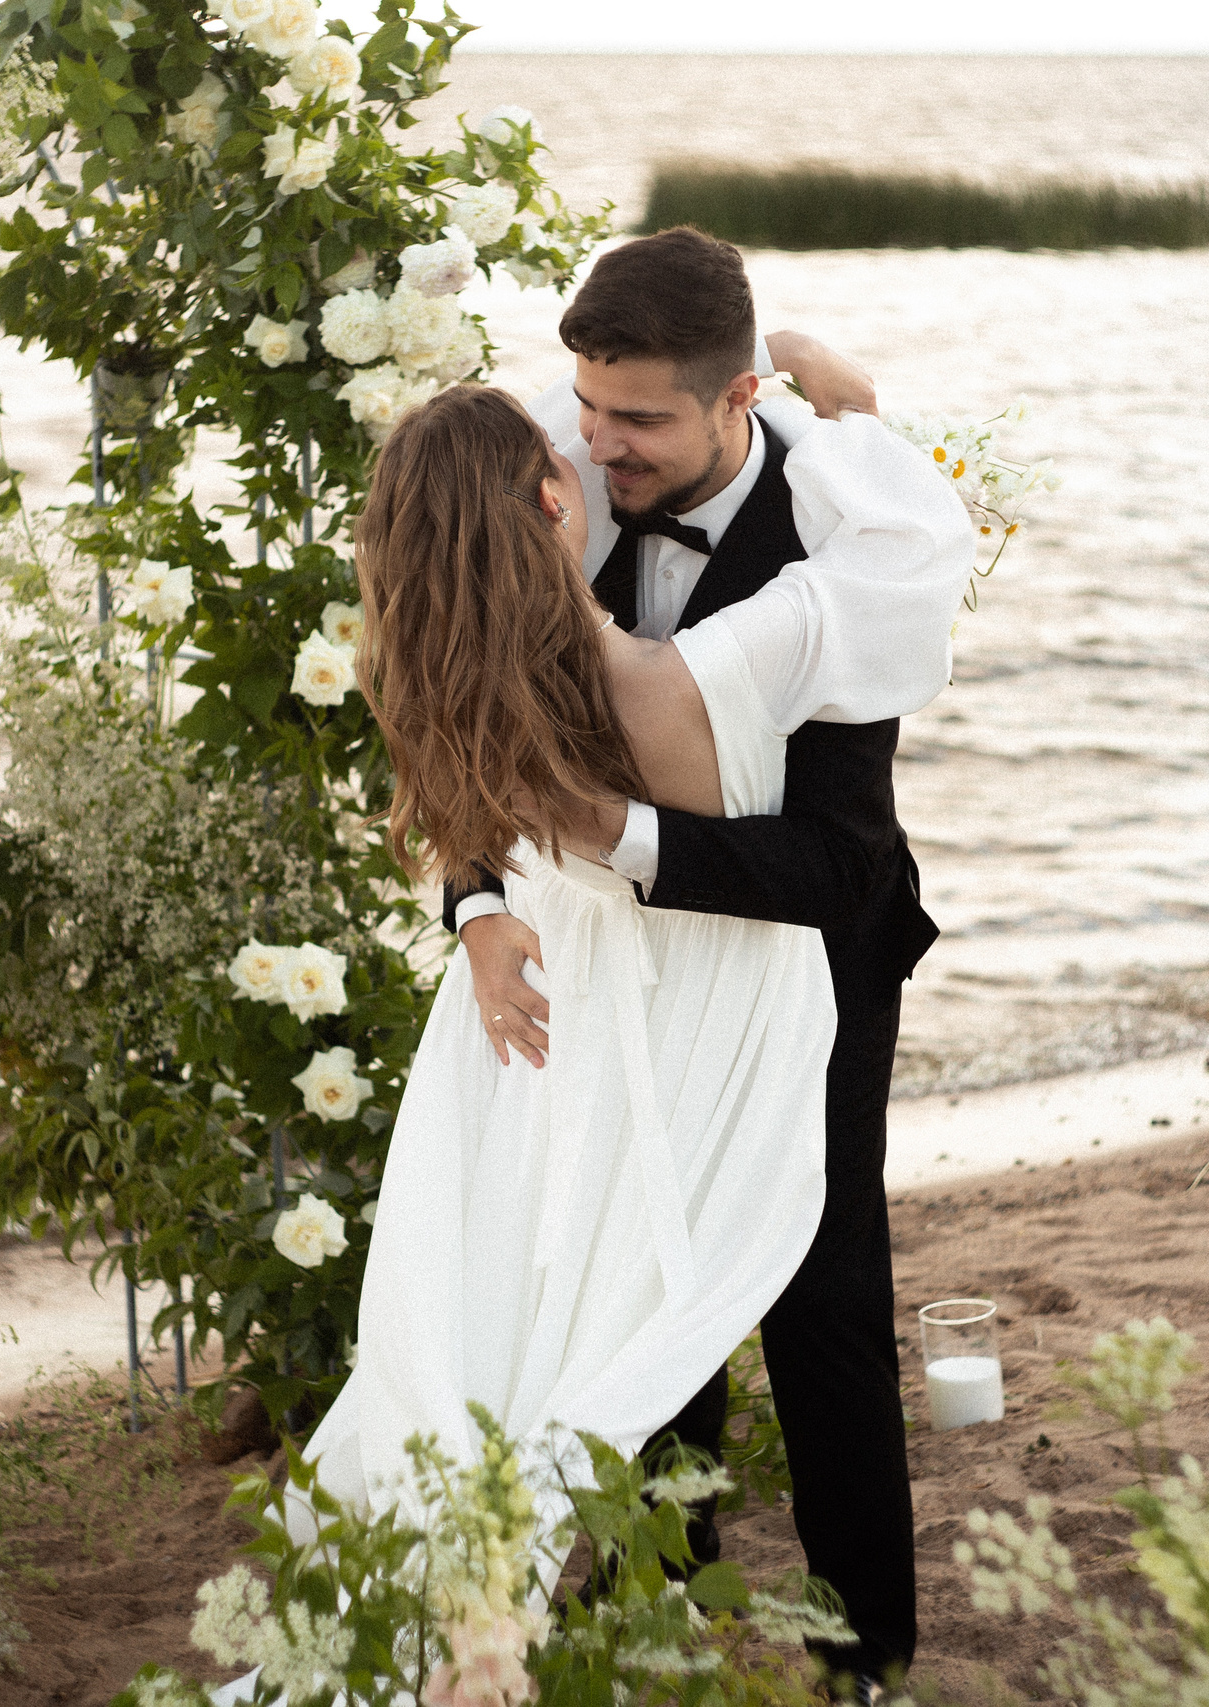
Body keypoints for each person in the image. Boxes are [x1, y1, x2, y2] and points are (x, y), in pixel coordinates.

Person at [311, 228, 971, 1694]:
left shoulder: (826, 558)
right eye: (589, 410)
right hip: (611, 965)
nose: (602, 445)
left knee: (821, 1296)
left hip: (808, 957)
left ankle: (870, 1651)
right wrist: (477, 910)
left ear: (740, 398)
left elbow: (839, 863)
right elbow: (449, 695)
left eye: (643, 421)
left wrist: (622, 839)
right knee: (626, 1255)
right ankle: (670, 1596)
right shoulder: (558, 479)